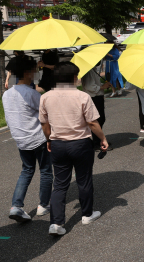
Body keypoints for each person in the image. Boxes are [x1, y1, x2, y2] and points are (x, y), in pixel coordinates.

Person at [39, 62, 108, 236]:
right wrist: (103, 138)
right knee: (84, 179)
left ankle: (56, 223)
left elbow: (44, 124)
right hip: (80, 143)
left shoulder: (46, 97)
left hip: (58, 144)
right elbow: (92, 122)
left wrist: (49, 139)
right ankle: (87, 214)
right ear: (74, 77)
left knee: (60, 184)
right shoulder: (82, 96)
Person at [3, 56, 52, 223]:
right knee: (45, 171)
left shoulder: (7, 95)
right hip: (38, 138)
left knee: (27, 170)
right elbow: (45, 116)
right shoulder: (32, 94)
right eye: (34, 69)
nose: (35, 72)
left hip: (21, 139)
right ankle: (43, 205)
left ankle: (16, 206)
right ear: (27, 72)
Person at [81, 61, 113, 151]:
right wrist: (102, 87)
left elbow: (94, 85)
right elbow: (89, 86)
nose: (99, 61)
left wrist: (103, 85)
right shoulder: (88, 71)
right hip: (93, 98)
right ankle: (96, 143)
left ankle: (98, 140)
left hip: (97, 96)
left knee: (101, 119)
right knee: (97, 120)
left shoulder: (93, 70)